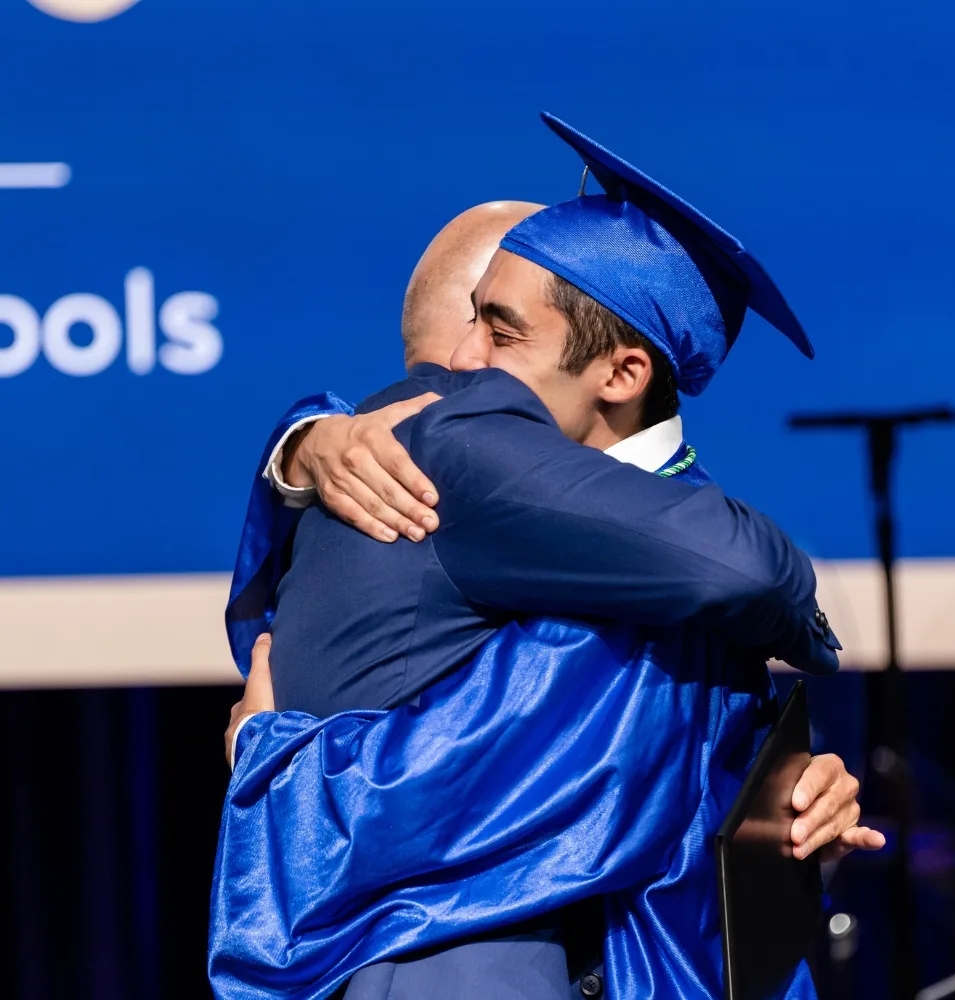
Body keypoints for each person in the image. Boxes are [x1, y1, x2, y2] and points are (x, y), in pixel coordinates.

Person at [212, 116, 880, 1000]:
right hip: (455, 961)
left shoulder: (670, 531)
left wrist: (788, 809)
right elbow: (756, 576)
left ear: (621, 375)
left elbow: (674, 777)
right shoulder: (430, 445)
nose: (457, 363)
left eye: (500, 329)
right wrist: (279, 765)